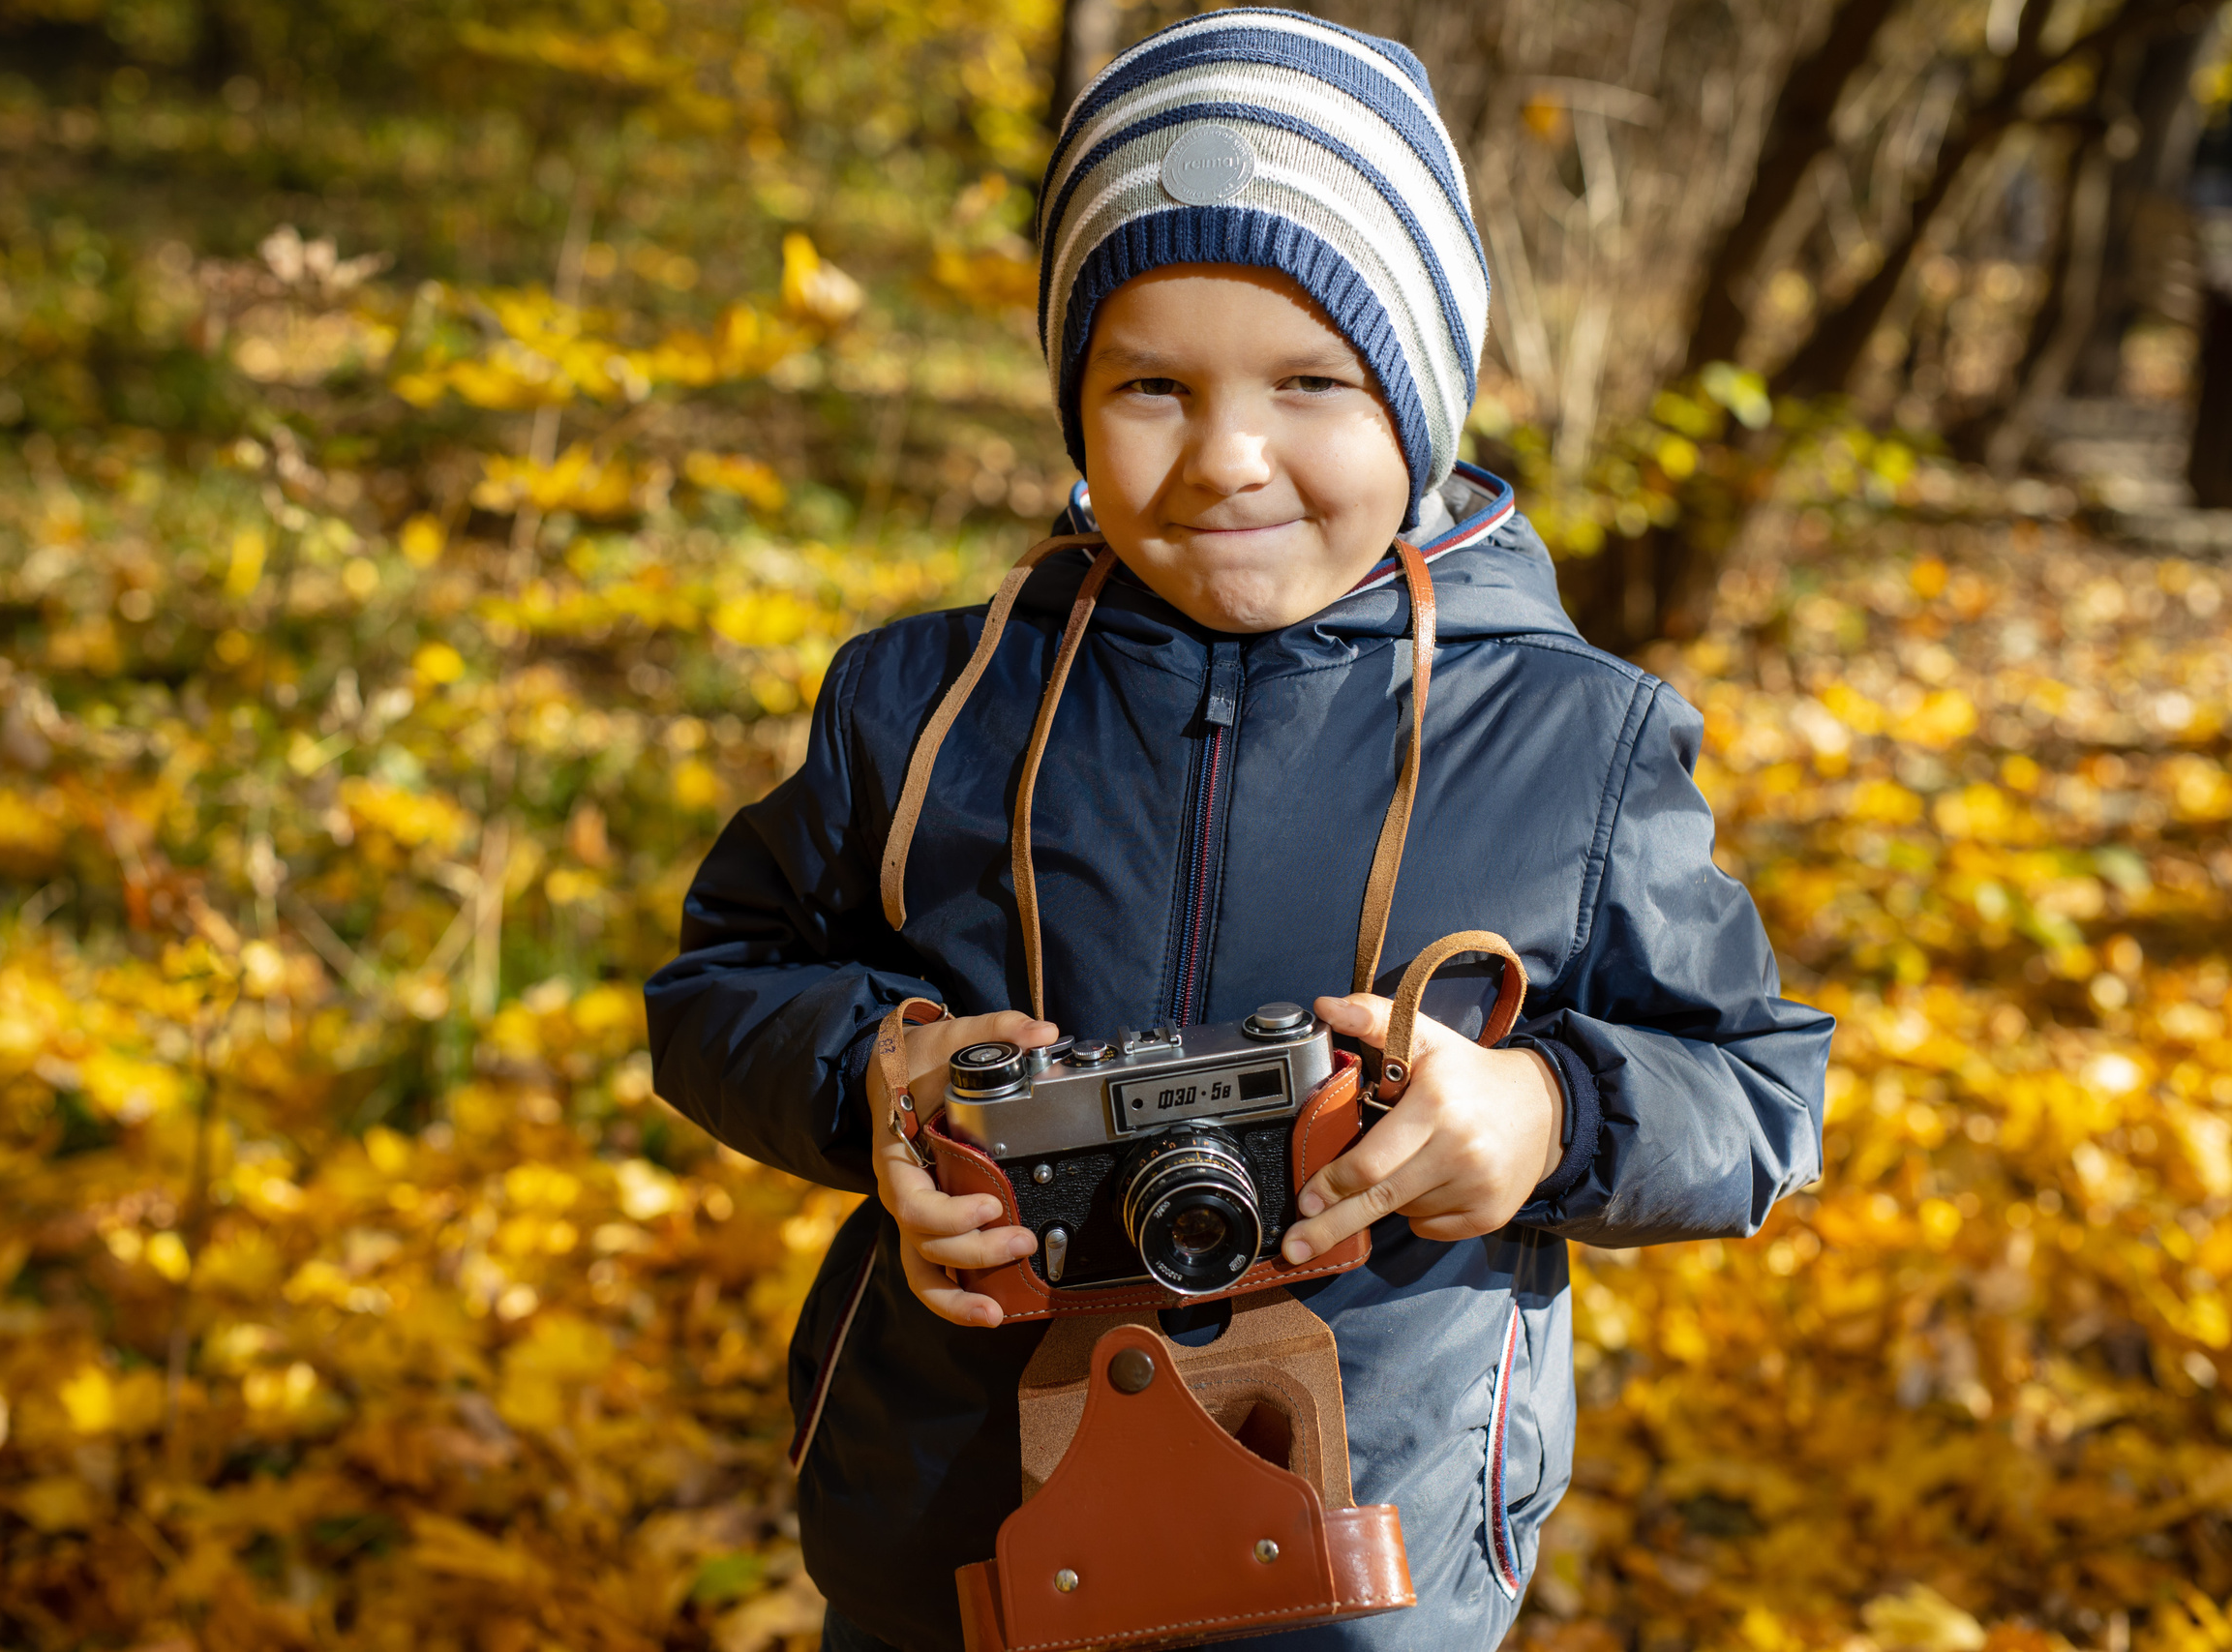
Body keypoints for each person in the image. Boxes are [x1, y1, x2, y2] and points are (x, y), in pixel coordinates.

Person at [645, 10, 1831, 1649]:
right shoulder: (923, 705)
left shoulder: (1578, 741)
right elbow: (717, 989)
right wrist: (881, 1082)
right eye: (1150, 385)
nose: (1226, 459)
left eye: (1309, 382)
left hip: (1365, 1540)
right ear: (1073, 395)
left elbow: (1761, 1088)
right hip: (952, 1522)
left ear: (1417, 394)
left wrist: (1543, 1116)